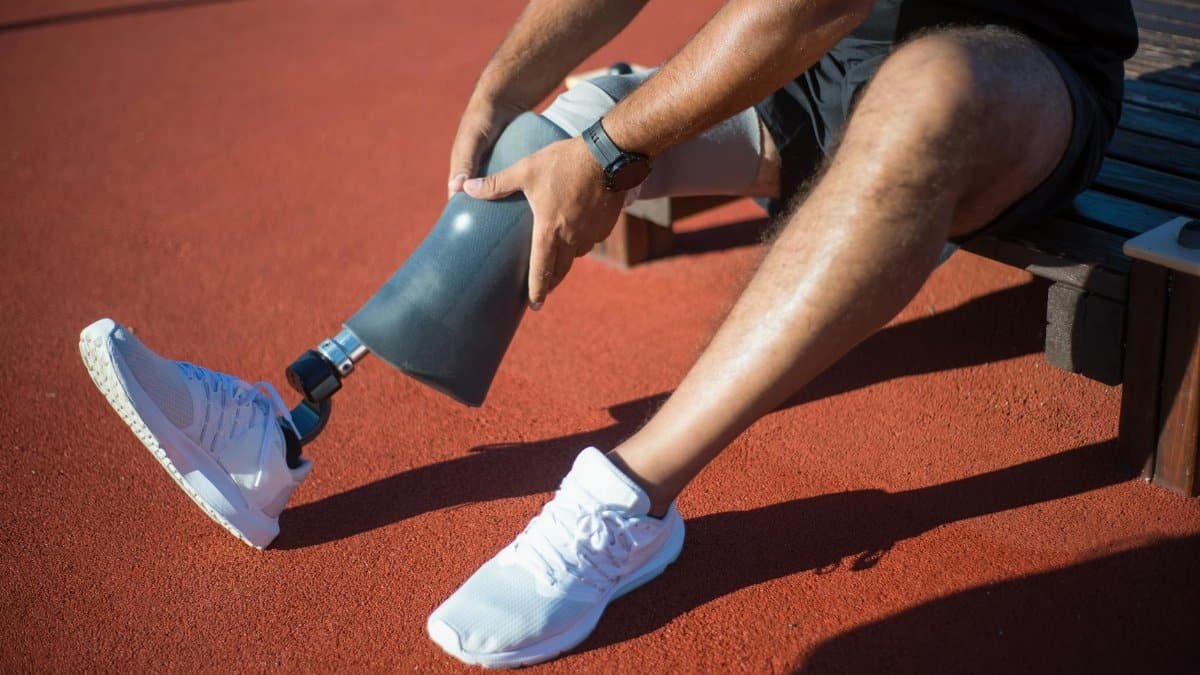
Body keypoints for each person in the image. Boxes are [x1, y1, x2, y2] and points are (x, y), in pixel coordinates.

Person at [78, 0, 1137, 667]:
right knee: (547, 134)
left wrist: (615, 154)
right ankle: (287, 421)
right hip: (826, 63)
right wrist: (506, 94)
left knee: (925, 93)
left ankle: (630, 502)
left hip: (1015, 64)